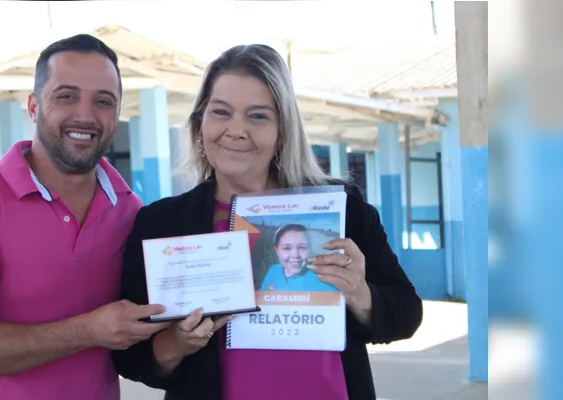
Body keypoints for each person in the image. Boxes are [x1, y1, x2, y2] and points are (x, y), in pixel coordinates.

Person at [113, 44, 423, 400]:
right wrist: (175, 343)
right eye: (221, 112)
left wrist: (359, 294)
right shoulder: (163, 225)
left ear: (283, 131)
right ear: (200, 124)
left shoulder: (341, 211)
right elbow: (131, 356)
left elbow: (407, 313)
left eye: (258, 116)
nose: (236, 130)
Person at [0, 34, 169, 400]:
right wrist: (88, 331)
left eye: (103, 101)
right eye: (66, 96)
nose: (85, 115)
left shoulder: (129, 210)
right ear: (34, 106)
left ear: (117, 115)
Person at [259, 224, 335, 292]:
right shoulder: (273, 270)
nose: (295, 255)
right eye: (287, 248)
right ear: (277, 251)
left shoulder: (322, 279)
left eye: (302, 247)